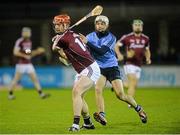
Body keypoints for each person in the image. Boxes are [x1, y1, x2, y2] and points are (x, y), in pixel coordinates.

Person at [79, 15, 147, 126]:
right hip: (98, 68)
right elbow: (85, 51)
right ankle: (102, 115)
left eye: (102, 24)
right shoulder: (89, 36)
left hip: (111, 67)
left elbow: (101, 51)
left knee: (120, 95)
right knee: (98, 89)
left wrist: (87, 42)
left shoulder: (111, 37)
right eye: (98, 23)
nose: (100, 26)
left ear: (107, 25)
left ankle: (139, 109)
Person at [52, 14, 101, 132]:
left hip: (90, 68)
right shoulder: (70, 35)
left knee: (76, 92)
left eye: (59, 25)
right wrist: (60, 51)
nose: (57, 27)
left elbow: (54, 48)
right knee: (79, 97)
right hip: (82, 69)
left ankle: (75, 125)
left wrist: (56, 44)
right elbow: (67, 57)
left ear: (66, 25)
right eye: (56, 25)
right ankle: (88, 123)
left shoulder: (64, 38)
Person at [115, 19, 151, 107]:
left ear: (142, 27)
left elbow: (147, 50)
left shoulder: (146, 38)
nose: (138, 26)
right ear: (133, 26)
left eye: (139, 25)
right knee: (133, 80)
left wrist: (148, 58)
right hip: (129, 63)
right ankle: (131, 103)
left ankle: (118, 84)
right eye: (136, 25)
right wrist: (119, 55)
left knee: (133, 85)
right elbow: (116, 45)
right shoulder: (127, 37)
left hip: (139, 64)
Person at [8, 27, 49, 100]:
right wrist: (24, 56)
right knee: (16, 79)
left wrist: (37, 51)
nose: (28, 33)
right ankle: (10, 94)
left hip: (28, 64)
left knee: (35, 79)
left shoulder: (29, 41)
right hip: (21, 64)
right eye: (26, 32)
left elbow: (28, 53)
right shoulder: (19, 41)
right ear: (23, 33)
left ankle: (41, 94)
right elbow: (15, 52)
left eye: (28, 32)